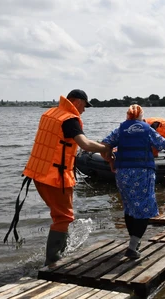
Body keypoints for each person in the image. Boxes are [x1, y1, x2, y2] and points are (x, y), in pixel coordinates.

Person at [16, 89, 110, 266]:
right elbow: (85, 143)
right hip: (54, 177)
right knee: (64, 218)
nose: (83, 110)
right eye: (84, 106)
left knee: (59, 216)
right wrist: (106, 149)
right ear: (76, 101)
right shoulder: (70, 119)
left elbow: (57, 143)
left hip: (37, 173)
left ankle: (59, 253)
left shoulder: (50, 113)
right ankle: (53, 261)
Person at [101, 104, 165, 259]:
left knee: (129, 207)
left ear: (128, 116)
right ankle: (132, 246)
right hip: (142, 172)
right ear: (141, 116)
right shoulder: (147, 129)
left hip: (123, 173)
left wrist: (111, 161)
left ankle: (134, 241)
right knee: (145, 208)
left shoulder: (120, 130)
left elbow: (104, 147)